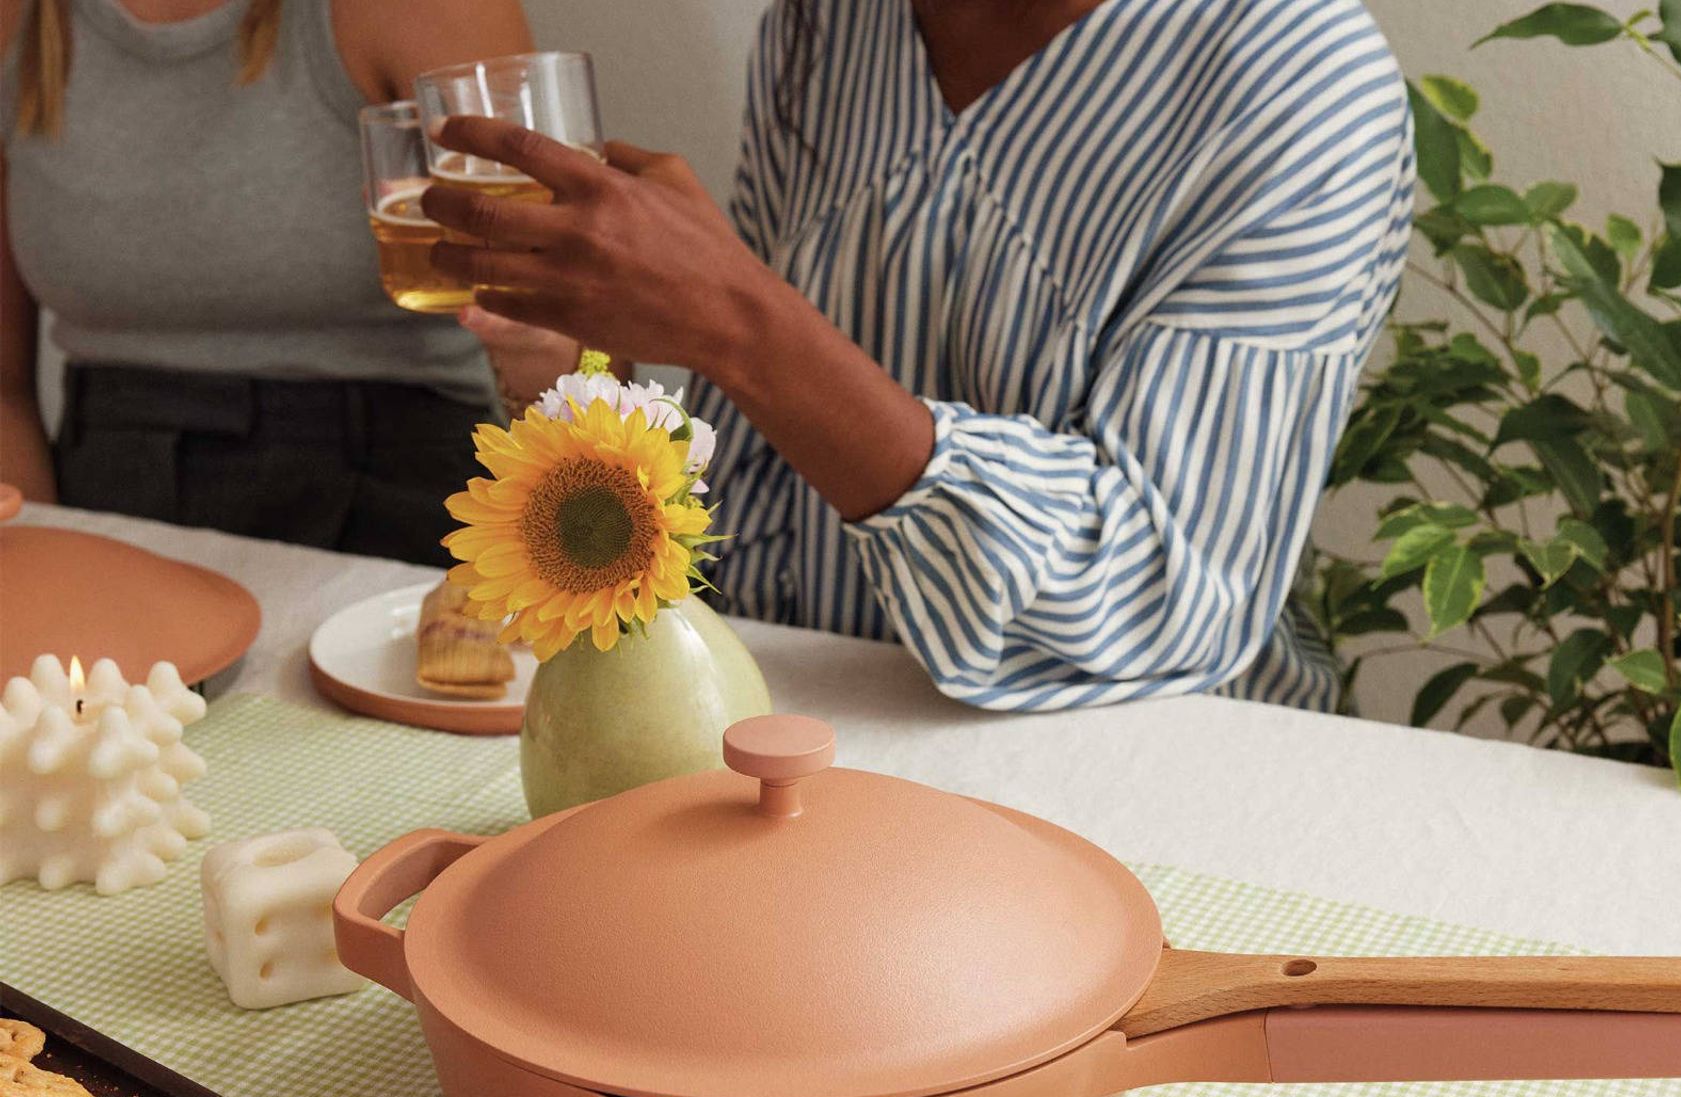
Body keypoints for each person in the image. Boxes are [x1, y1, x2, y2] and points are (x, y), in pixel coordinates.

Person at [429, 0, 1415, 710]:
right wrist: (601, 367)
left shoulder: (1298, 78)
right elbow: (765, 469)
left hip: (1135, 767)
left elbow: (1169, 596)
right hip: (801, 722)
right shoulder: (824, 26)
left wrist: (738, 319)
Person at [0, 0, 570, 564]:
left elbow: (585, 334)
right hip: (106, 506)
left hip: (401, 505)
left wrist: (547, 355)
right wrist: (44, 559)